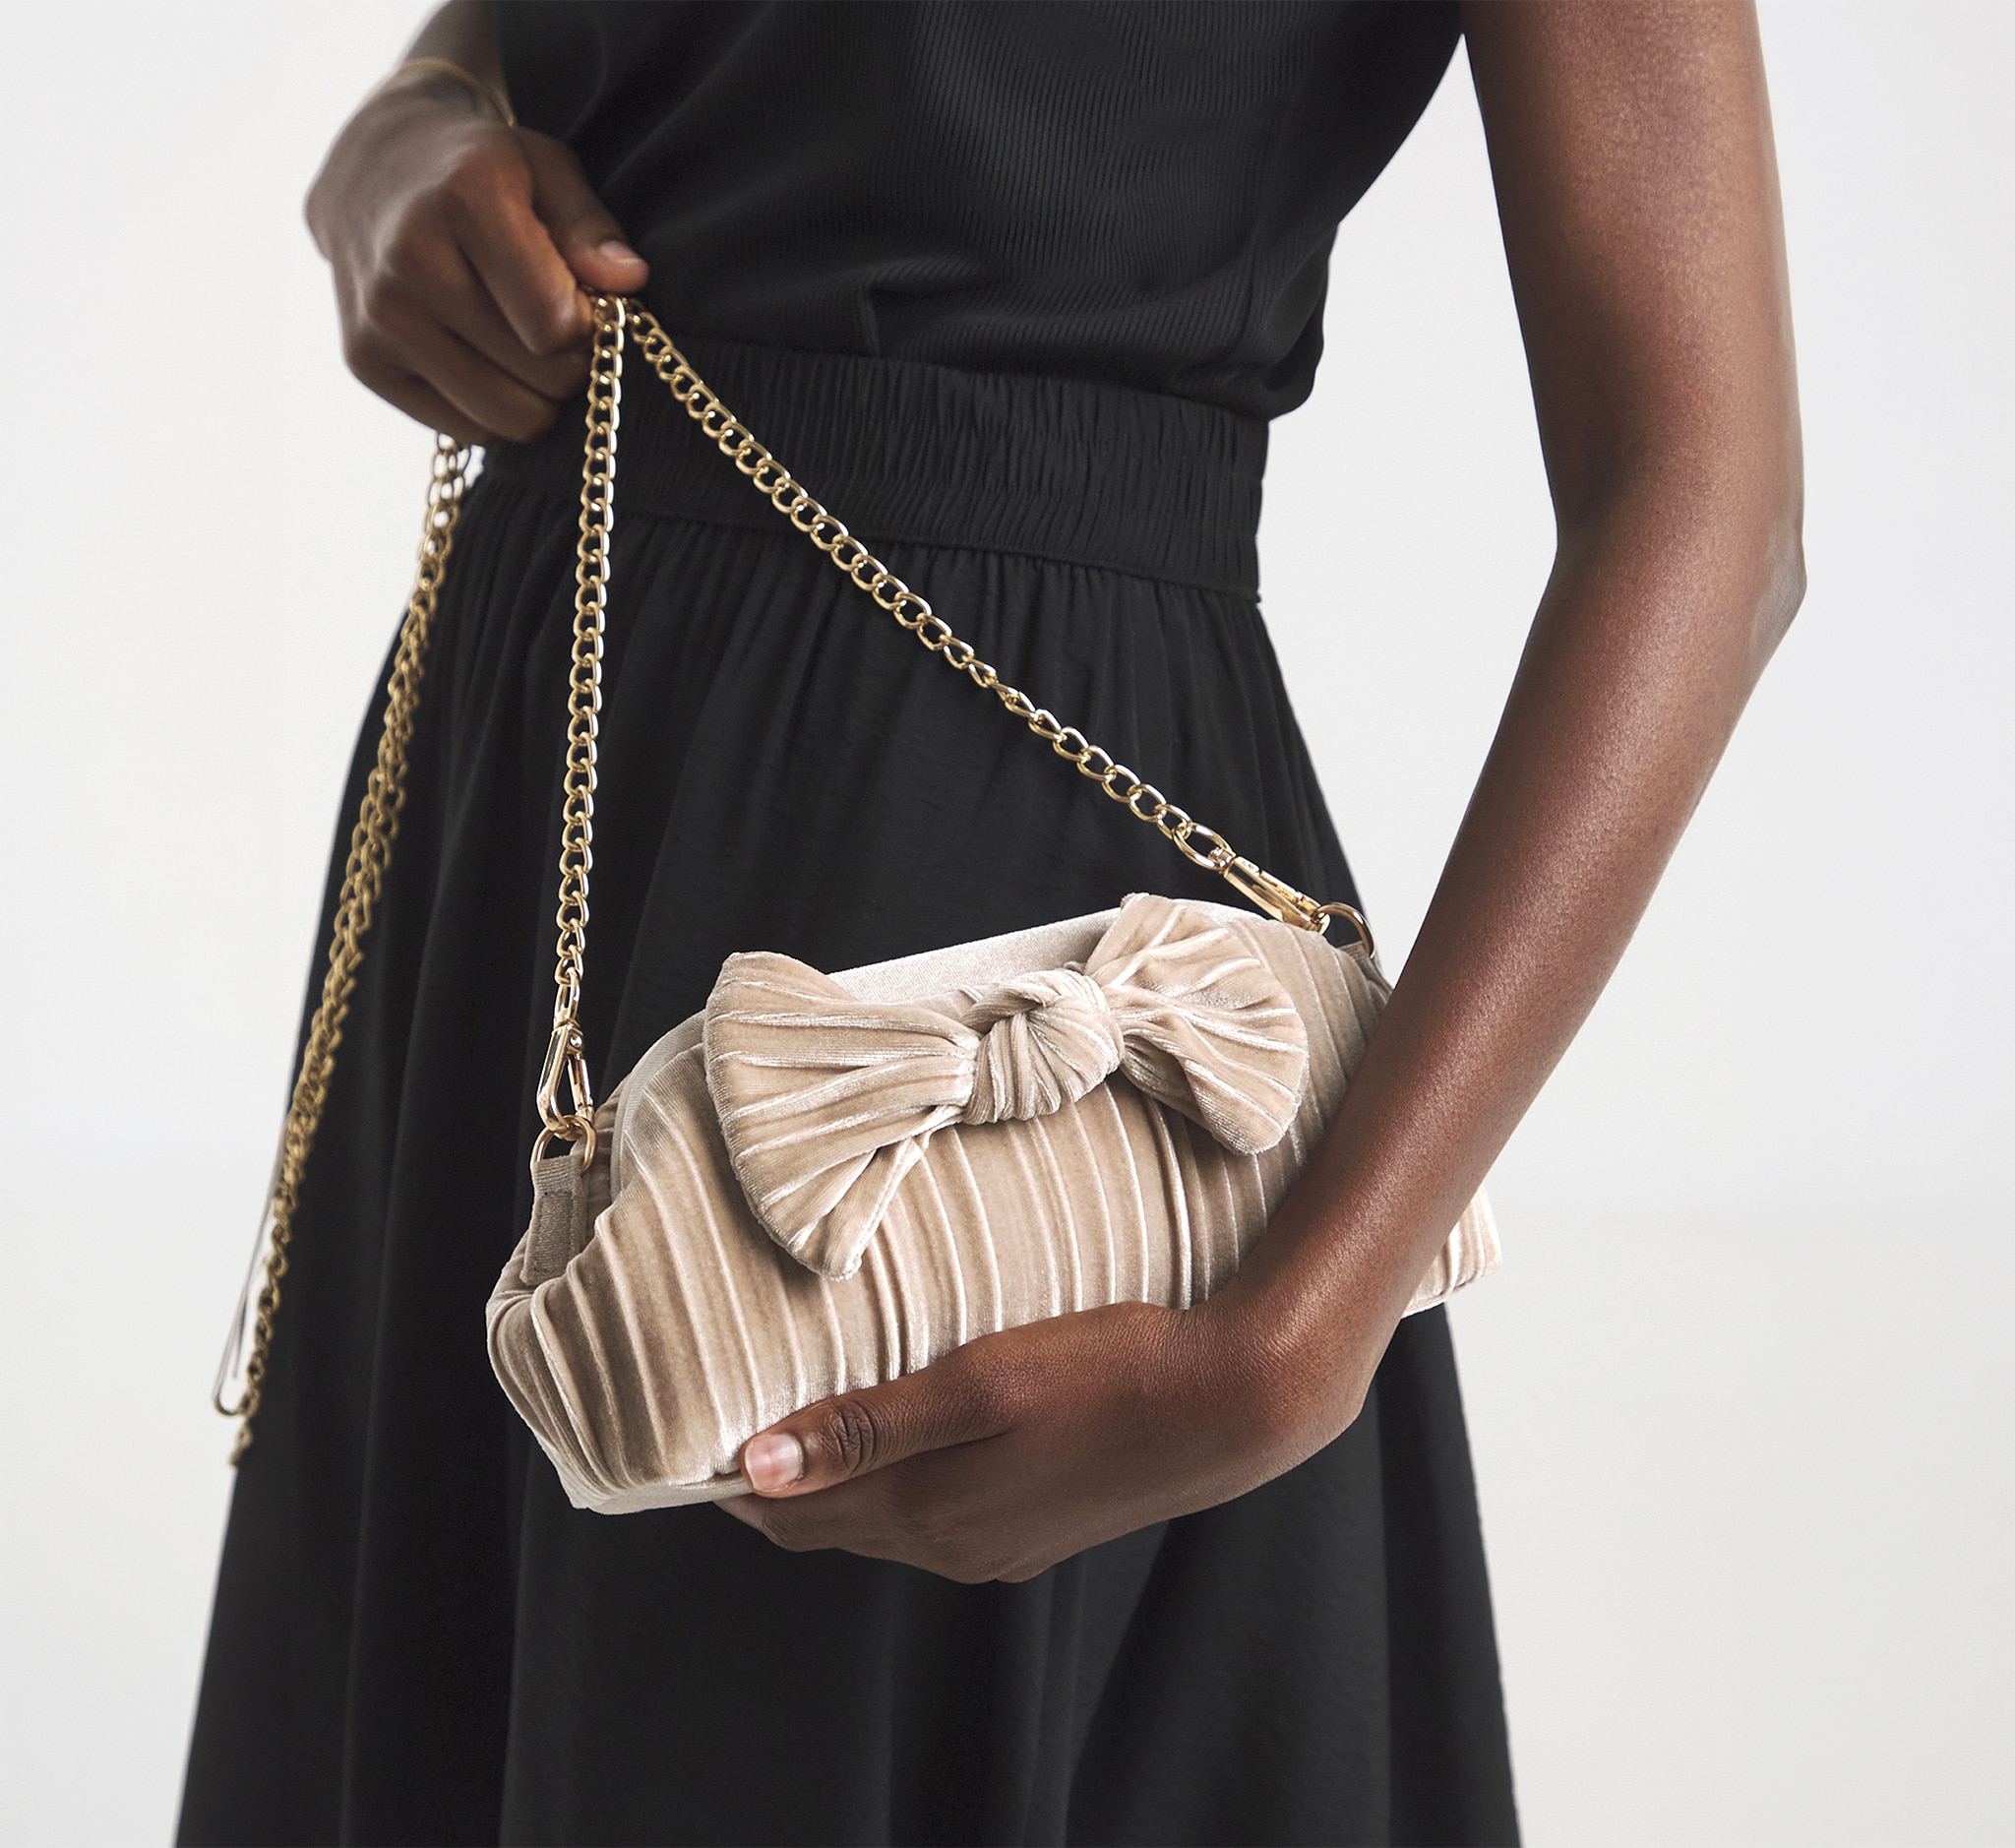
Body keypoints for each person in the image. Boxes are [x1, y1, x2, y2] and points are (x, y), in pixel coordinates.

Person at [179, 3, 1802, 1843]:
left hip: (985, 942)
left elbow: (1707, 493)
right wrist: (412, 122)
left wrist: (1300, 1327)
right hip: (522, 794)